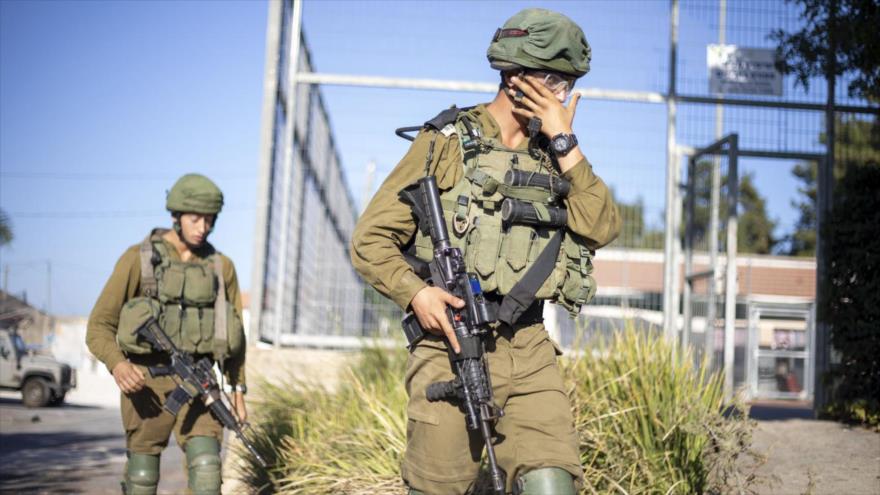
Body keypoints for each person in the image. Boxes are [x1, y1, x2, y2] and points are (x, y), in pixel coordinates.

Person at [351, 8, 621, 495]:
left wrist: (564, 141)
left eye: (567, 84)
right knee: (439, 487)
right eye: (553, 81)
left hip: (530, 347)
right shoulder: (447, 142)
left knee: (553, 484)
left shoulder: (554, 154)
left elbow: (602, 227)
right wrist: (417, 295)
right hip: (449, 342)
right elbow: (370, 238)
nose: (562, 96)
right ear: (515, 77)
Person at [86, 173, 247, 495]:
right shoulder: (139, 259)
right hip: (146, 384)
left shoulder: (221, 267)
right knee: (142, 478)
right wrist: (119, 365)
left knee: (207, 473)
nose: (203, 227)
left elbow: (236, 338)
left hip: (201, 384)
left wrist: (238, 391)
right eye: (195, 218)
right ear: (176, 215)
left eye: (210, 219)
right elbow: (99, 326)